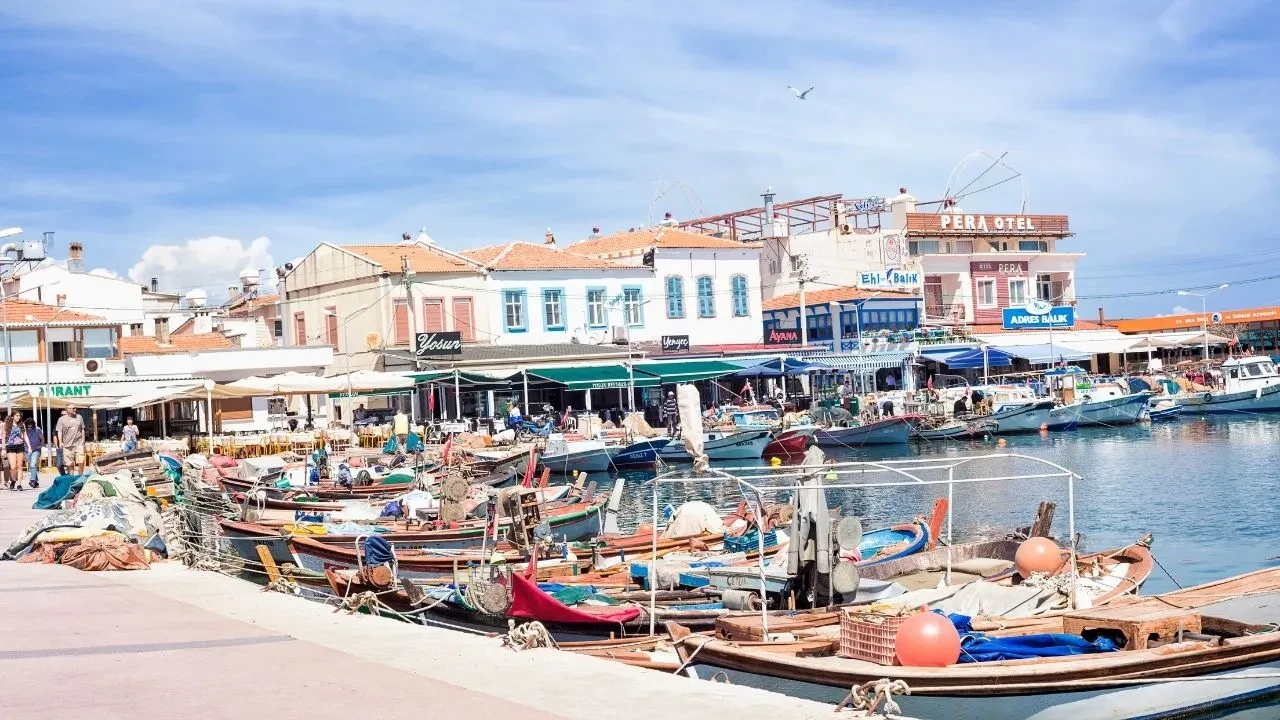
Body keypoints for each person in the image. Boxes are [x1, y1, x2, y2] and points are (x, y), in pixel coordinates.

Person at [56, 404, 87, 476]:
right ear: (67, 409)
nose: (75, 409)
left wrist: (83, 441)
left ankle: (80, 477)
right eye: (73, 408)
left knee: (81, 461)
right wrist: (60, 442)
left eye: (75, 408)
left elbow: (82, 429)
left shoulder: (79, 417)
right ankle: (71, 479)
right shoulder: (61, 419)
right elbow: (59, 431)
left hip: (78, 443)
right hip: (67, 445)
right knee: (70, 464)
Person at [6, 411, 26, 491]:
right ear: (12, 416)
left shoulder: (21, 425)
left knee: (19, 465)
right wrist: (3, 449)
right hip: (10, 446)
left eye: (19, 416)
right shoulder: (7, 425)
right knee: (13, 466)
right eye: (17, 416)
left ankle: (19, 484)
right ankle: (13, 480)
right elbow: (4, 437)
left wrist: (29, 445)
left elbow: (25, 436)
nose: (18, 417)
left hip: (20, 445)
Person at [22, 418, 43, 489]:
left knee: (33, 465)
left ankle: (32, 480)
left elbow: (42, 438)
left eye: (31, 425)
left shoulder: (37, 429)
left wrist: (41, 445)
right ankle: (36, 482)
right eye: (28, 426)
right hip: (26, 450)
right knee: (32, 466)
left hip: (36, 450)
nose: (29, 427)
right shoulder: (24, 430)